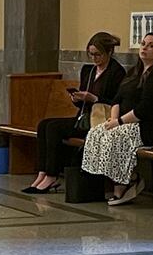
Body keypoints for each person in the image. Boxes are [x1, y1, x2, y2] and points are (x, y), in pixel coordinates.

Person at [82, 32, 153, 206]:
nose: (145, 48)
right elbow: (117, 99)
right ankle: (118, 179)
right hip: (129, 123)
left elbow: (145, 109)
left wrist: (119, 123)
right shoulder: (133, 72)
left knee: (117, 135)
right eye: (143, 44)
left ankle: (125, 182)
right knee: (97, 132)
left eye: (151, 45)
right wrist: (113, 120)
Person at [23, 32, 125, 194]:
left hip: (100, 121)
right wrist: (76, 98)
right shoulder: (88, 71)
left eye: (98, 54)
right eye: (91, 54)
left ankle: (52, 176)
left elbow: (117, 101)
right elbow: (81, 103)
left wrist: (94, 98)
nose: (94, 58)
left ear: (109, 52)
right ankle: (42, 172)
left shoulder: (117, 72)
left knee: (54, 128)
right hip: (84, 117)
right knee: (44, 125)